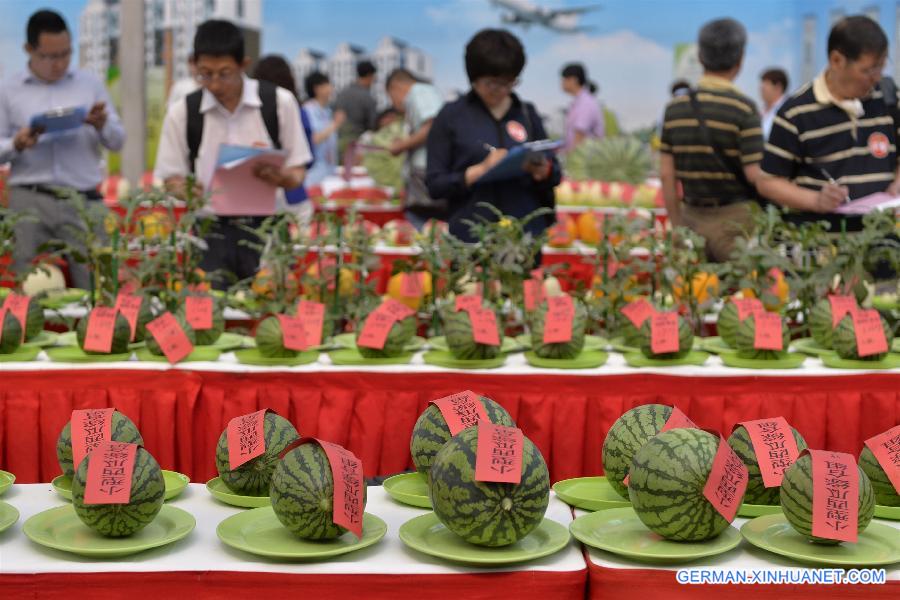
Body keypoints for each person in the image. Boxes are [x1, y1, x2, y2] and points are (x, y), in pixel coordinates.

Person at [154, 20, 311, 289]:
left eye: (224, 73)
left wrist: (281, 177)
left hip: (266, 229)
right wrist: (188, 190)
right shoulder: (183, 112)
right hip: (208, 232)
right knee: (207, 318)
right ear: (194, 64)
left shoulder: (278, 103)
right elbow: (171, 178)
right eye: (205, 74)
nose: (214, 84)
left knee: (269, 314)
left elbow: (298, 172)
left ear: (243, 64)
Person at [0, 9, 124, 289]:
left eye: (65, 54)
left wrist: (101, 124)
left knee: (98, 287)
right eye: (49, 56)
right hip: (29, 200)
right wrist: (16, 143)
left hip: (83, 200)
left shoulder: (90, 84)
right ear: (28, 49)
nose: (59, 64)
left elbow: (118, 140)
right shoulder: (8, 90)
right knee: (26, 289)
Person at [758, 16, 898, 232]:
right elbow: (768, 182)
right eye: (869, 70)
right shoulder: (796, 113)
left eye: (882, 66)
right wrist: (815, 200)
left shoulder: (889, 98)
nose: (876, 78)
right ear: (836, 60)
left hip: (884, 239)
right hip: (824, 245)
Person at [425, 29, 561, 242]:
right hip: (471, 241)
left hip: (524, 238)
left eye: (509, 82)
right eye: (492, 82)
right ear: (473, 77)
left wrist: (544, 170)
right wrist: (481, 170)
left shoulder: (527, 113)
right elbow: (435, 184)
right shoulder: (452, 116)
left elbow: (555, 172)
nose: (501, 90)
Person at [659, 18, 763, 262]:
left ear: (701, 57)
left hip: (691, 219)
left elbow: (666, 175)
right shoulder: (744, 109)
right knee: (739, 296)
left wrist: (678, 225)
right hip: (736, 223)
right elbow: (754, 173)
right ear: (740, 60)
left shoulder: (675, 109)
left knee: (693, 294)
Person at [251, 54, 315, 218]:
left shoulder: (250, 113)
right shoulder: (298, 110)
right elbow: (308, 158)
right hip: (293, 196)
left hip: (257, 196)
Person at [385, 68, 447, 227]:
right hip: (425, 174)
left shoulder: (419, 91)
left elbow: (432, 126)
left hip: (425, 173)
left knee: (421, 225)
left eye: (391, 98)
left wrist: (401, 145)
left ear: (395, 87)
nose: (394, 104)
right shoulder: (424, 93)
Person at [302, 71, 342, 187]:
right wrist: (335, 124)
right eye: (326, 85)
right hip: (313, 173)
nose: (331, 88)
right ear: (317, 89)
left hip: (329, 171)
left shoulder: (327, 111)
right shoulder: (308, 110)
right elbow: (313, 139)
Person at [334, 60, 377, 160]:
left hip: (339, 145)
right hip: (358, 149)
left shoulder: (342, 93)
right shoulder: (368, 97)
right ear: (369, 76)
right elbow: (373, 125)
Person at [560, 63, 604, 151]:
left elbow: (579, 136)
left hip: (585, 161)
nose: (561, 83)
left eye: (564, 80)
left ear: (573, 80)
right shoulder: (578, 102)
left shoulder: (585, 103)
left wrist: (568, 159)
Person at [760, 68, 789, 140]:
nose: (761, 88)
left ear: (778, 87)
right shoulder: (762, 110)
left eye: (766, 83)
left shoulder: (787, 110)